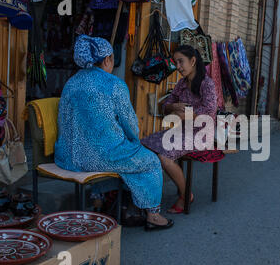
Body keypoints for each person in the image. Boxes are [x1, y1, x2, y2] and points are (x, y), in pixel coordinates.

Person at [55, 35, 174, 231]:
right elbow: (130, 124)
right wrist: (134, 142)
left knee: (116, 158)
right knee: (150, 161)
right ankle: (153, 215)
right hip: (101, 157)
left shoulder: (71, 83)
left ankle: (99, 204)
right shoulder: (114, 85)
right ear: (108, 60)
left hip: (67, 156)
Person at [141, 45, 217, 214]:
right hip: (181, 131)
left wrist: (188, 115)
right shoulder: (182, 84)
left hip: (201, 134)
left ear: (193, 61)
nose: (178, 66)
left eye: (181, 61)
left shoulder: (207, 84)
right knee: (143, 146)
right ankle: (144, 194)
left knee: (164, 155)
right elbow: (166, 106)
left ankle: (185, 195)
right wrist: (174, 106)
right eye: (176, 62)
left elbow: (210, 111)